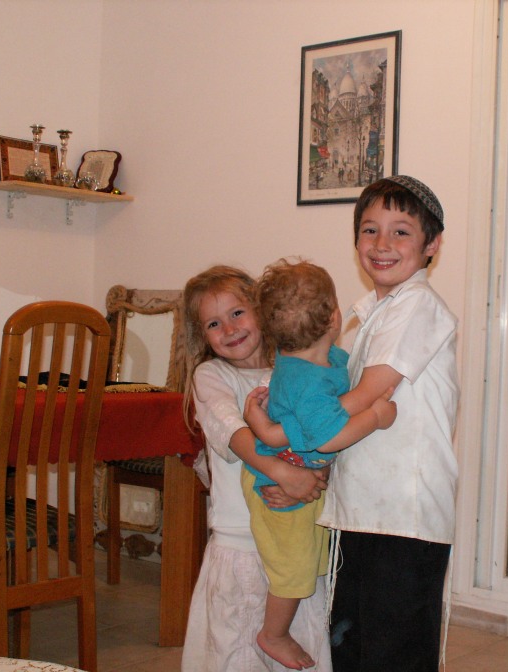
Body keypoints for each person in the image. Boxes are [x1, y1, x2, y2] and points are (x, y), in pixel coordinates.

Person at [317, 176, 460, 671]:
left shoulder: (417, 304)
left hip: (403, 517)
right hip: (365, 509)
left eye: (401, 232)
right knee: (351, 645)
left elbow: (367, 395)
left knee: (393, 652)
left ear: (431, 245)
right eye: (369, 229)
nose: (381, 244)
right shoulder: (376, 313)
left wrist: (298, 441)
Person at [241, 259, 397, 670]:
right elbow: (328, 437)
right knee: (293, 568)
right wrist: (375, 417)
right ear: (333, 318)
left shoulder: (324, 360)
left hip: (296, 467)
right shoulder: (306, 381)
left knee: (311, 557)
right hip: (276, 482)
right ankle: (273, 634)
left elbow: (332, 406)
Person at [179, 265, 333, 672]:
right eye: (214, 323)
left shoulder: (295, 369)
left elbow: (325, 435)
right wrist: (285, 474)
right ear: (202, 335)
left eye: (237, 313)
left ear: (262, 312)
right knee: (238, 650)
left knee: (302, 640)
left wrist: (314, 479)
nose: (229, 329)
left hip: (299, 538)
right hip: (242, 544)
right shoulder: (211, 376)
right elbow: (234, 435)